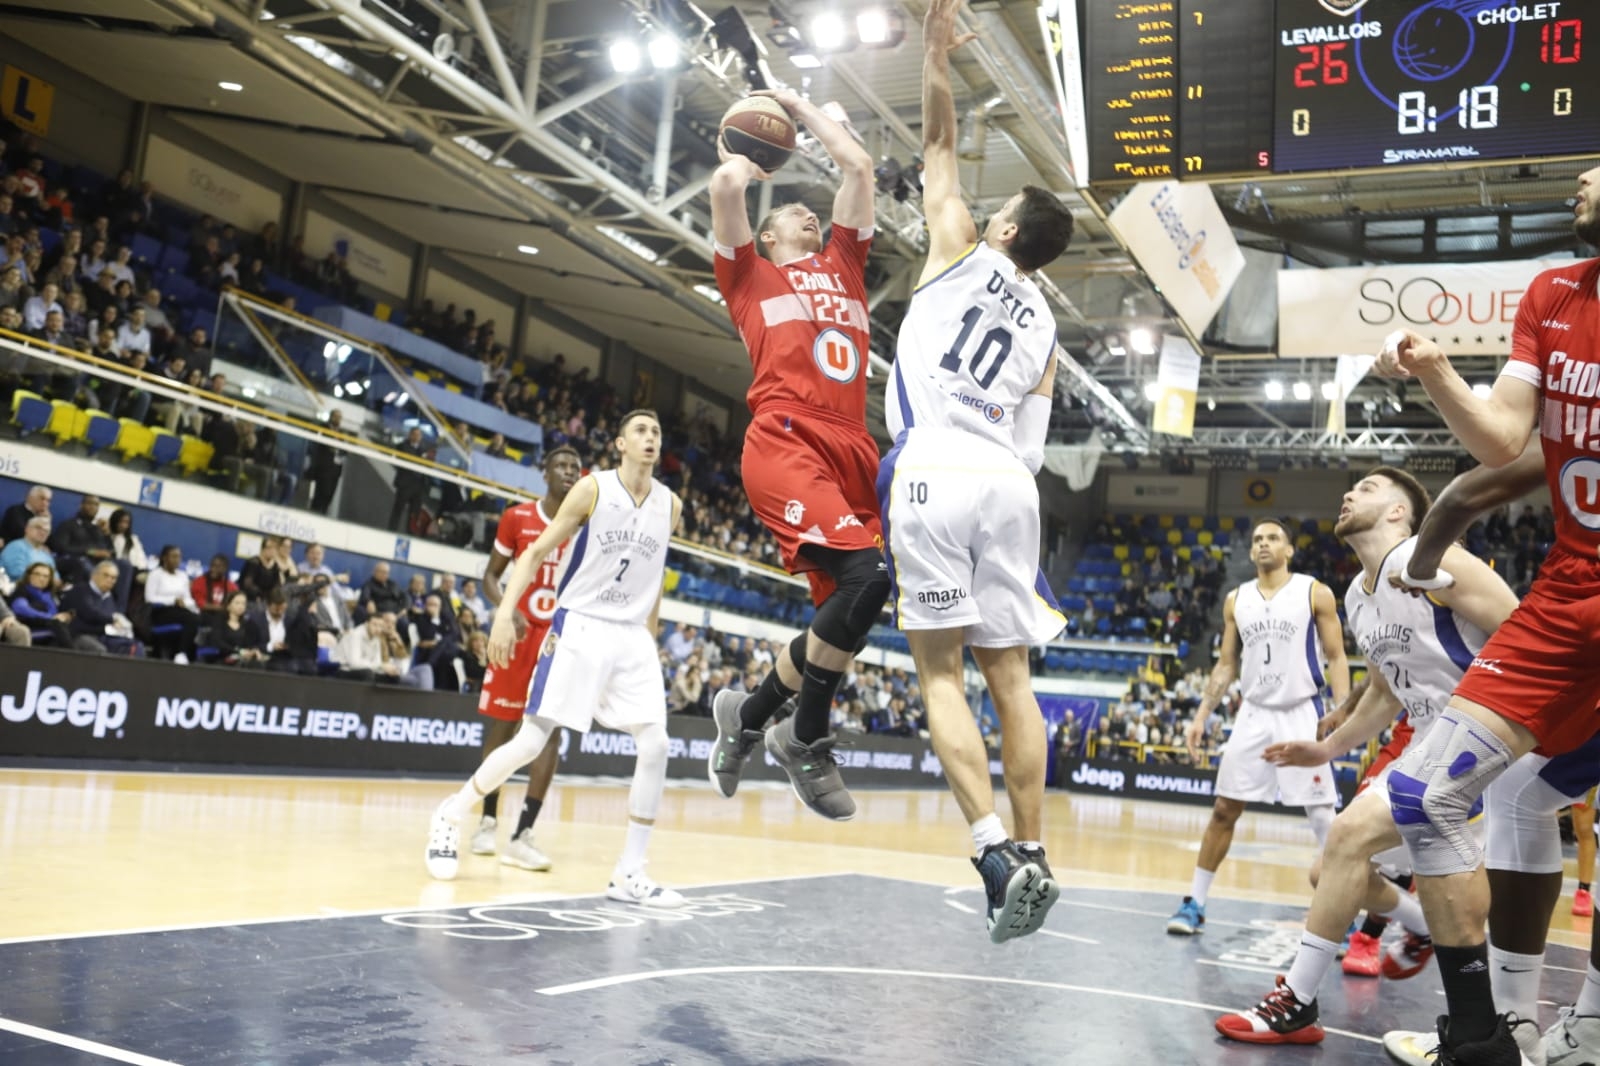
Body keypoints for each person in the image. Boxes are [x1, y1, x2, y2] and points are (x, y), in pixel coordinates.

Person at [1367, 163, 1600, 1064]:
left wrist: (1438, 535)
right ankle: (1492, 1032)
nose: (1580, 174)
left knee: (1535, 799)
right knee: (1430, 791)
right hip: (1568, 590)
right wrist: (1433, 370)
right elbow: (1505, 440)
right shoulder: (1552, 292)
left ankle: (1583, 1031)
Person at [855, 0, 1076, 942]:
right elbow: (1033, 441)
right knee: (1010, 678)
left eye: (998, 211)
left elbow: (938, 144)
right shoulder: (1051, 327)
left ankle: (989, 849)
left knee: (939, 675)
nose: (983, 212)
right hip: (1010, 483)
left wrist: (939, 56)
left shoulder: (958, 250)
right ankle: (1035, 848)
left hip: (937, 465)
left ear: (1002, 230)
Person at [1213, 468, 1518, 1046]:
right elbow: (1382, 693)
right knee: (1339, 855)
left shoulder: (1436, 559)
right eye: (1351, 488)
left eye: (1370, 489)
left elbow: (1524, 632)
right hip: (1431, 744)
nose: (1349, 494)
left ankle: (1486, 1026)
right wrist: (1326, 747)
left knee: (1366, 848)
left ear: (1401, 513)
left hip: (1490, 741)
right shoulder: (1358, 594)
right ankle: (1468, 1024)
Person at [705, 78, 892, 822]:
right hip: (786, 436)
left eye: (808, 215)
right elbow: (725, 188)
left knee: (847, 616)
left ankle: (749, 717)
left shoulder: (846, 262)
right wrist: (749, 156)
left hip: (854, 449)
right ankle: (804, 736)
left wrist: (799, 105)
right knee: (868, 580)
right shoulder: (748, 275)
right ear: (770, 235)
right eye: (789, 213)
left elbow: (859, 169)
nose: (805, 216)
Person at [426, 410, 686, 908]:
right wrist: (504, 615)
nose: (651, 438)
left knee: (656, 745)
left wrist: (649, 641)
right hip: (581, 625)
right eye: (640, 431)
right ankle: (451, 814)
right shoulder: (592, 489)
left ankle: (630, 872)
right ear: (619, 443)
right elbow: (535, 553)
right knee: (531, 740)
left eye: (656, 431)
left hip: (631, 635)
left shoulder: (670, 505)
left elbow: (652, 580)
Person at [1167, 518, 1350, 935]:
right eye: (1257, 540)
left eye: (1273, 538)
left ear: (1289, 550)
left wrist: (1341, 710)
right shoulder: (1236, 600)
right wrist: (1201, 715)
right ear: (1250, 552)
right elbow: (1226, 664)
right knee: (1223, 810)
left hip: (1301, 712)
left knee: (1324, 817)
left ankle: (1345, 913)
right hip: (1252, 714)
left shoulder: (1313, 592)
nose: (1263, 544)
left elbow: (1337, 657)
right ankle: (1195, 903)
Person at [470, 446, 583, 872]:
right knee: (503, 727)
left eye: (575, 467)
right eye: (561, 465)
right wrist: (506, 608)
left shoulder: (586, 526)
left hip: (560, 638)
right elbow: (489, 576)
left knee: (548, 732)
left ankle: (524, 833)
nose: (569, 472)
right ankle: (486, 820)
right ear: (546, 473)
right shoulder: (517, 517)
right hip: (518, 634)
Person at [143, 545, 201, 662]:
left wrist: (186, 603)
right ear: (164, 558)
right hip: (160, 611)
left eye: (179, 557)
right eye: (173, 557)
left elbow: (188, 598)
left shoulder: (183, 576)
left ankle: (188, 655)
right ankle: (181, 653)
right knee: (191, 619)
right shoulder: (156, 574)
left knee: (197, 617)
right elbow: (149, 598)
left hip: (181, 610)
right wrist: (172, 601)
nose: (177, 560)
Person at [212, 590, 267, 665]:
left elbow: (254, 643)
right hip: (224, 658)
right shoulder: (219, 621)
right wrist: (239, 651)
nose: (241, 606)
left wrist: (253, 651)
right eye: (237, 603)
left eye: (243, 603)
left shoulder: (249, 623)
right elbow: (218, 642)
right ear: (228, 605)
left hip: (245, 658)